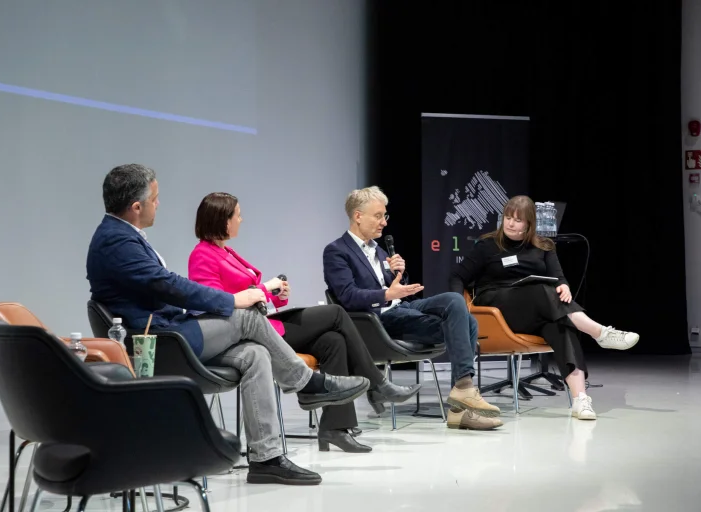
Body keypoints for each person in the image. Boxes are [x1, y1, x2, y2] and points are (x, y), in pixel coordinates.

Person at [86, 164, 370, 485]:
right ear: (137, 207)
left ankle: (267, 458)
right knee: (247, 317)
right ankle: (306, 384)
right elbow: (168, 285)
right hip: (159, 342)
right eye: (156, 198)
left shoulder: (122, 236)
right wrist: (236, 300)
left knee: (254, 355)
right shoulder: (116, 241)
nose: (158, 204)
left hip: (170, 334)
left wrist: (253, 296)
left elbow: (164, 286)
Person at [187, 192, 422, 453]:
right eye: (237, 215)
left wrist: (277, 297)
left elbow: (252, 297)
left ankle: (335, 428)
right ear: (222, 219)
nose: (241, 220)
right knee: (335, 313)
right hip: (245, 333)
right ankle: (377, 384)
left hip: (263, 323)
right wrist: (266, 289)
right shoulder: (202, 255)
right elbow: (216, 303)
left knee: (333, 341)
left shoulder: (226, 251)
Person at [323, 186, 502, 431]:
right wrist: (387, 294)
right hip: (377, 321)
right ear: (357, 216)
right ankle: (461, 403)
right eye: (378, 216)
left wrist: (399, 274)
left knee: (453, 299)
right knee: (468, 324)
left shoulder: (379, 250)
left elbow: (397, 288)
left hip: (402, 307)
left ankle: (463, 393)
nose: (383, 222)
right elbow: (347, 297)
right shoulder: (337, 252)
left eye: (385, 216)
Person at [449, 195, 640, 421]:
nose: (510, 223)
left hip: (536, 309)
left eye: (517, 220)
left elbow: (558, 278)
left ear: (529, 224)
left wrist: (564, 287)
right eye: (508, 218)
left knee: (561, 327)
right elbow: (457, 276)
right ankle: (599, 332)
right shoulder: (487, 245)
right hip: (498, 307)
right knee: (542, 290)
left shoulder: (544, 246)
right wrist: (460, 304)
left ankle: (581, 400)